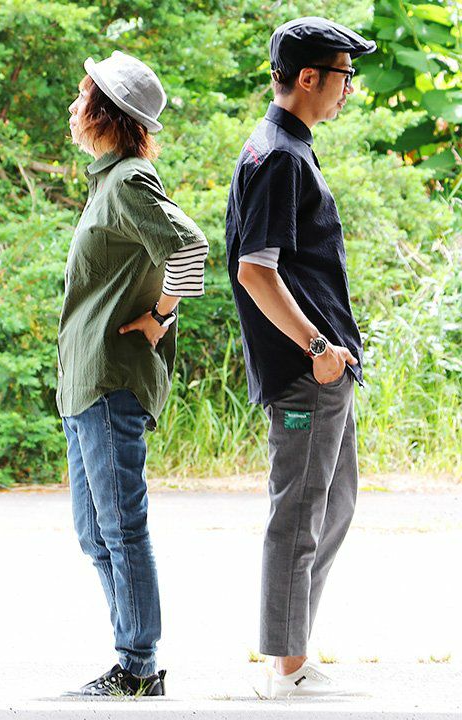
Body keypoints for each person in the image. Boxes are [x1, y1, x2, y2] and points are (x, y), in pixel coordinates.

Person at [224, 17, 376, 698]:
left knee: (332, 505)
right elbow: (255, 270)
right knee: (300, 512)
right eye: (345, 75)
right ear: (308, 77)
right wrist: (317, 348)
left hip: (325, 368)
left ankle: (294, 654)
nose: (350, 88)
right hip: (306, 371)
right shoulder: (279, 156)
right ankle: (285, 668)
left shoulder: (285, 148)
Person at [57, 50, 209, 697]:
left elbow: (191, 248)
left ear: (105, 112)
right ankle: (130, 660)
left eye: (82, 96)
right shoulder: (107, 183)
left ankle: (138, 666)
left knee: (121, 529)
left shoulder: (128, 182)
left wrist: (160, 318)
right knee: (96, 534)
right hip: (84, 383)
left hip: (112, 381)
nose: (73, 106)